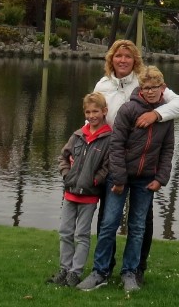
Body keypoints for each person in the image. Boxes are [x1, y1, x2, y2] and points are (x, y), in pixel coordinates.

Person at [77, 39, 179, 290]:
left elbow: (178, 106)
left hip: (144, 169)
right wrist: (80, 147)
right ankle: (102, 270)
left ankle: (135, 271)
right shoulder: (103, 84)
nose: (122, 60)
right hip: (112, 163)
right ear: (111, 59)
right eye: (118, 56)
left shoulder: (145, 82)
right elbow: (91, 116)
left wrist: (156, 114)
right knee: (108, 220)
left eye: (127, 56)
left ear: (135, 60)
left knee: (140, 224)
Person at [47, 92, 112, 288]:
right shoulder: (77, 135)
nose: (92, 115)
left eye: (96, 111)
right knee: (65, 232)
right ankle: (64, 270)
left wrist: (95, 180)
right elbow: (63, 157)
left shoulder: (109, 138)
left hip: (89, 196)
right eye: (88, 112)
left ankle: (75, 272)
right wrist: (66, 174)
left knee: (81, 235)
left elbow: (108, 166)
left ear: (104, 112)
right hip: (70, 193)